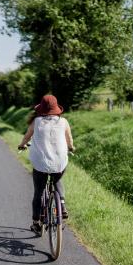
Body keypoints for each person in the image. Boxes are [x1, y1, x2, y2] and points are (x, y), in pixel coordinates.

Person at [18, 95, 75, 233]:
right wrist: (71, 147)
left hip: (40, 163)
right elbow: (69, 140)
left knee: (38, 191)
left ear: (41, 108)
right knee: (57, 179)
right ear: (56, 108)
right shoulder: (64, 122)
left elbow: (27, 137)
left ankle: (36, 222)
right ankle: (61, 204)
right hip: (60, 161)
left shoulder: (36, 122)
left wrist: (22, 145)